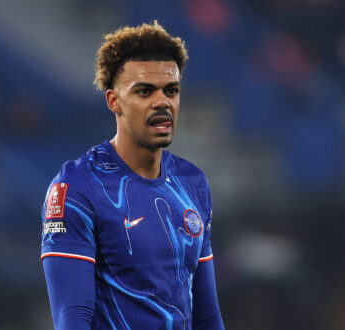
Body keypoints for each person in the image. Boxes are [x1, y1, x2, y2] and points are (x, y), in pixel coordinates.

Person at [41, 21, 225, 330]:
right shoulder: (76, 188)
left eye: (172, 90)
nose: (162, 102)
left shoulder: (193, 183)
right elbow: (72, 318)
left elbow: (207, 316)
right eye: (144, 91)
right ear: (114, 101)